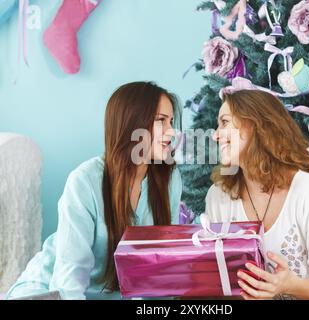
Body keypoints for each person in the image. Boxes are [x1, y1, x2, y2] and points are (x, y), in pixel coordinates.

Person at [6, 81, 183, 300]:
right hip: (53, 290)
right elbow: (68, 283)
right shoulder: (85, 182)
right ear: (131, 124)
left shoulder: (169, 179)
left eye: (172, 121)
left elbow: (164, 265)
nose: (172, 131)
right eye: (161, 121)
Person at [205, 80, 309, 300]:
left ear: (256, 125)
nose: (215, 135)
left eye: (224, 122)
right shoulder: (218, 197)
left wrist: (290, 285)